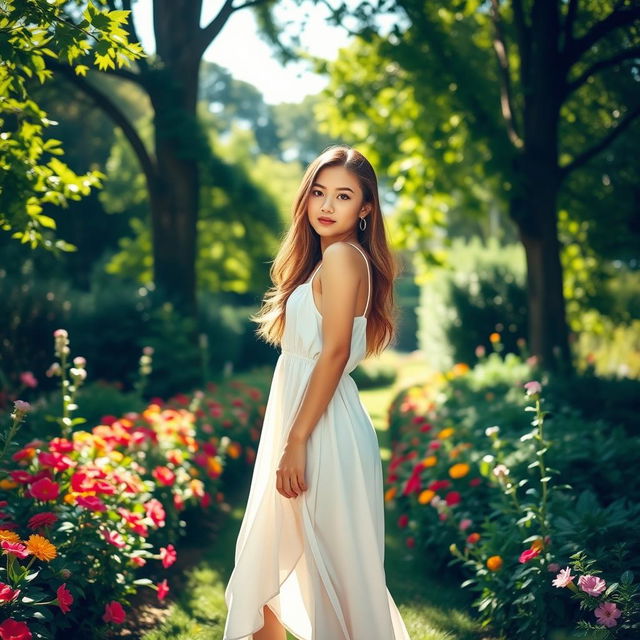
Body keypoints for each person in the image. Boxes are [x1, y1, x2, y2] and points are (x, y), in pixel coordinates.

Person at [223, 145, 411, 640]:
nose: (327, 205)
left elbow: (332, 355)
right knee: (269, 564)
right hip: (312, 420)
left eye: (343, 196)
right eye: (319, 192)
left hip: (320, 430)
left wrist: (296, 440)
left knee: (328, 577)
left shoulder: (345, 258)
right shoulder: (327, 259)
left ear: (365, 208)